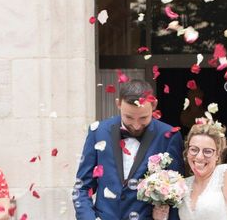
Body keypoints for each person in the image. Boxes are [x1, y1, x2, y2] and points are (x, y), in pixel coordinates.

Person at [74, 79, 184, 220]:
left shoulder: (169, 136)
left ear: (154, 105)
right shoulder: (98, 132)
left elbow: (176, 195)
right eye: (129, 117)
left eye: (143, 118)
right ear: (118, 104)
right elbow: (82, 188)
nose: (136, 125)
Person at [158, 119, 227, 220]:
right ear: (187, 152)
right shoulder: (183, 185)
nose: (199, 157)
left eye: (207, 151)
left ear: (217, 155)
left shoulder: (225, 174)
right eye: (194, 150)